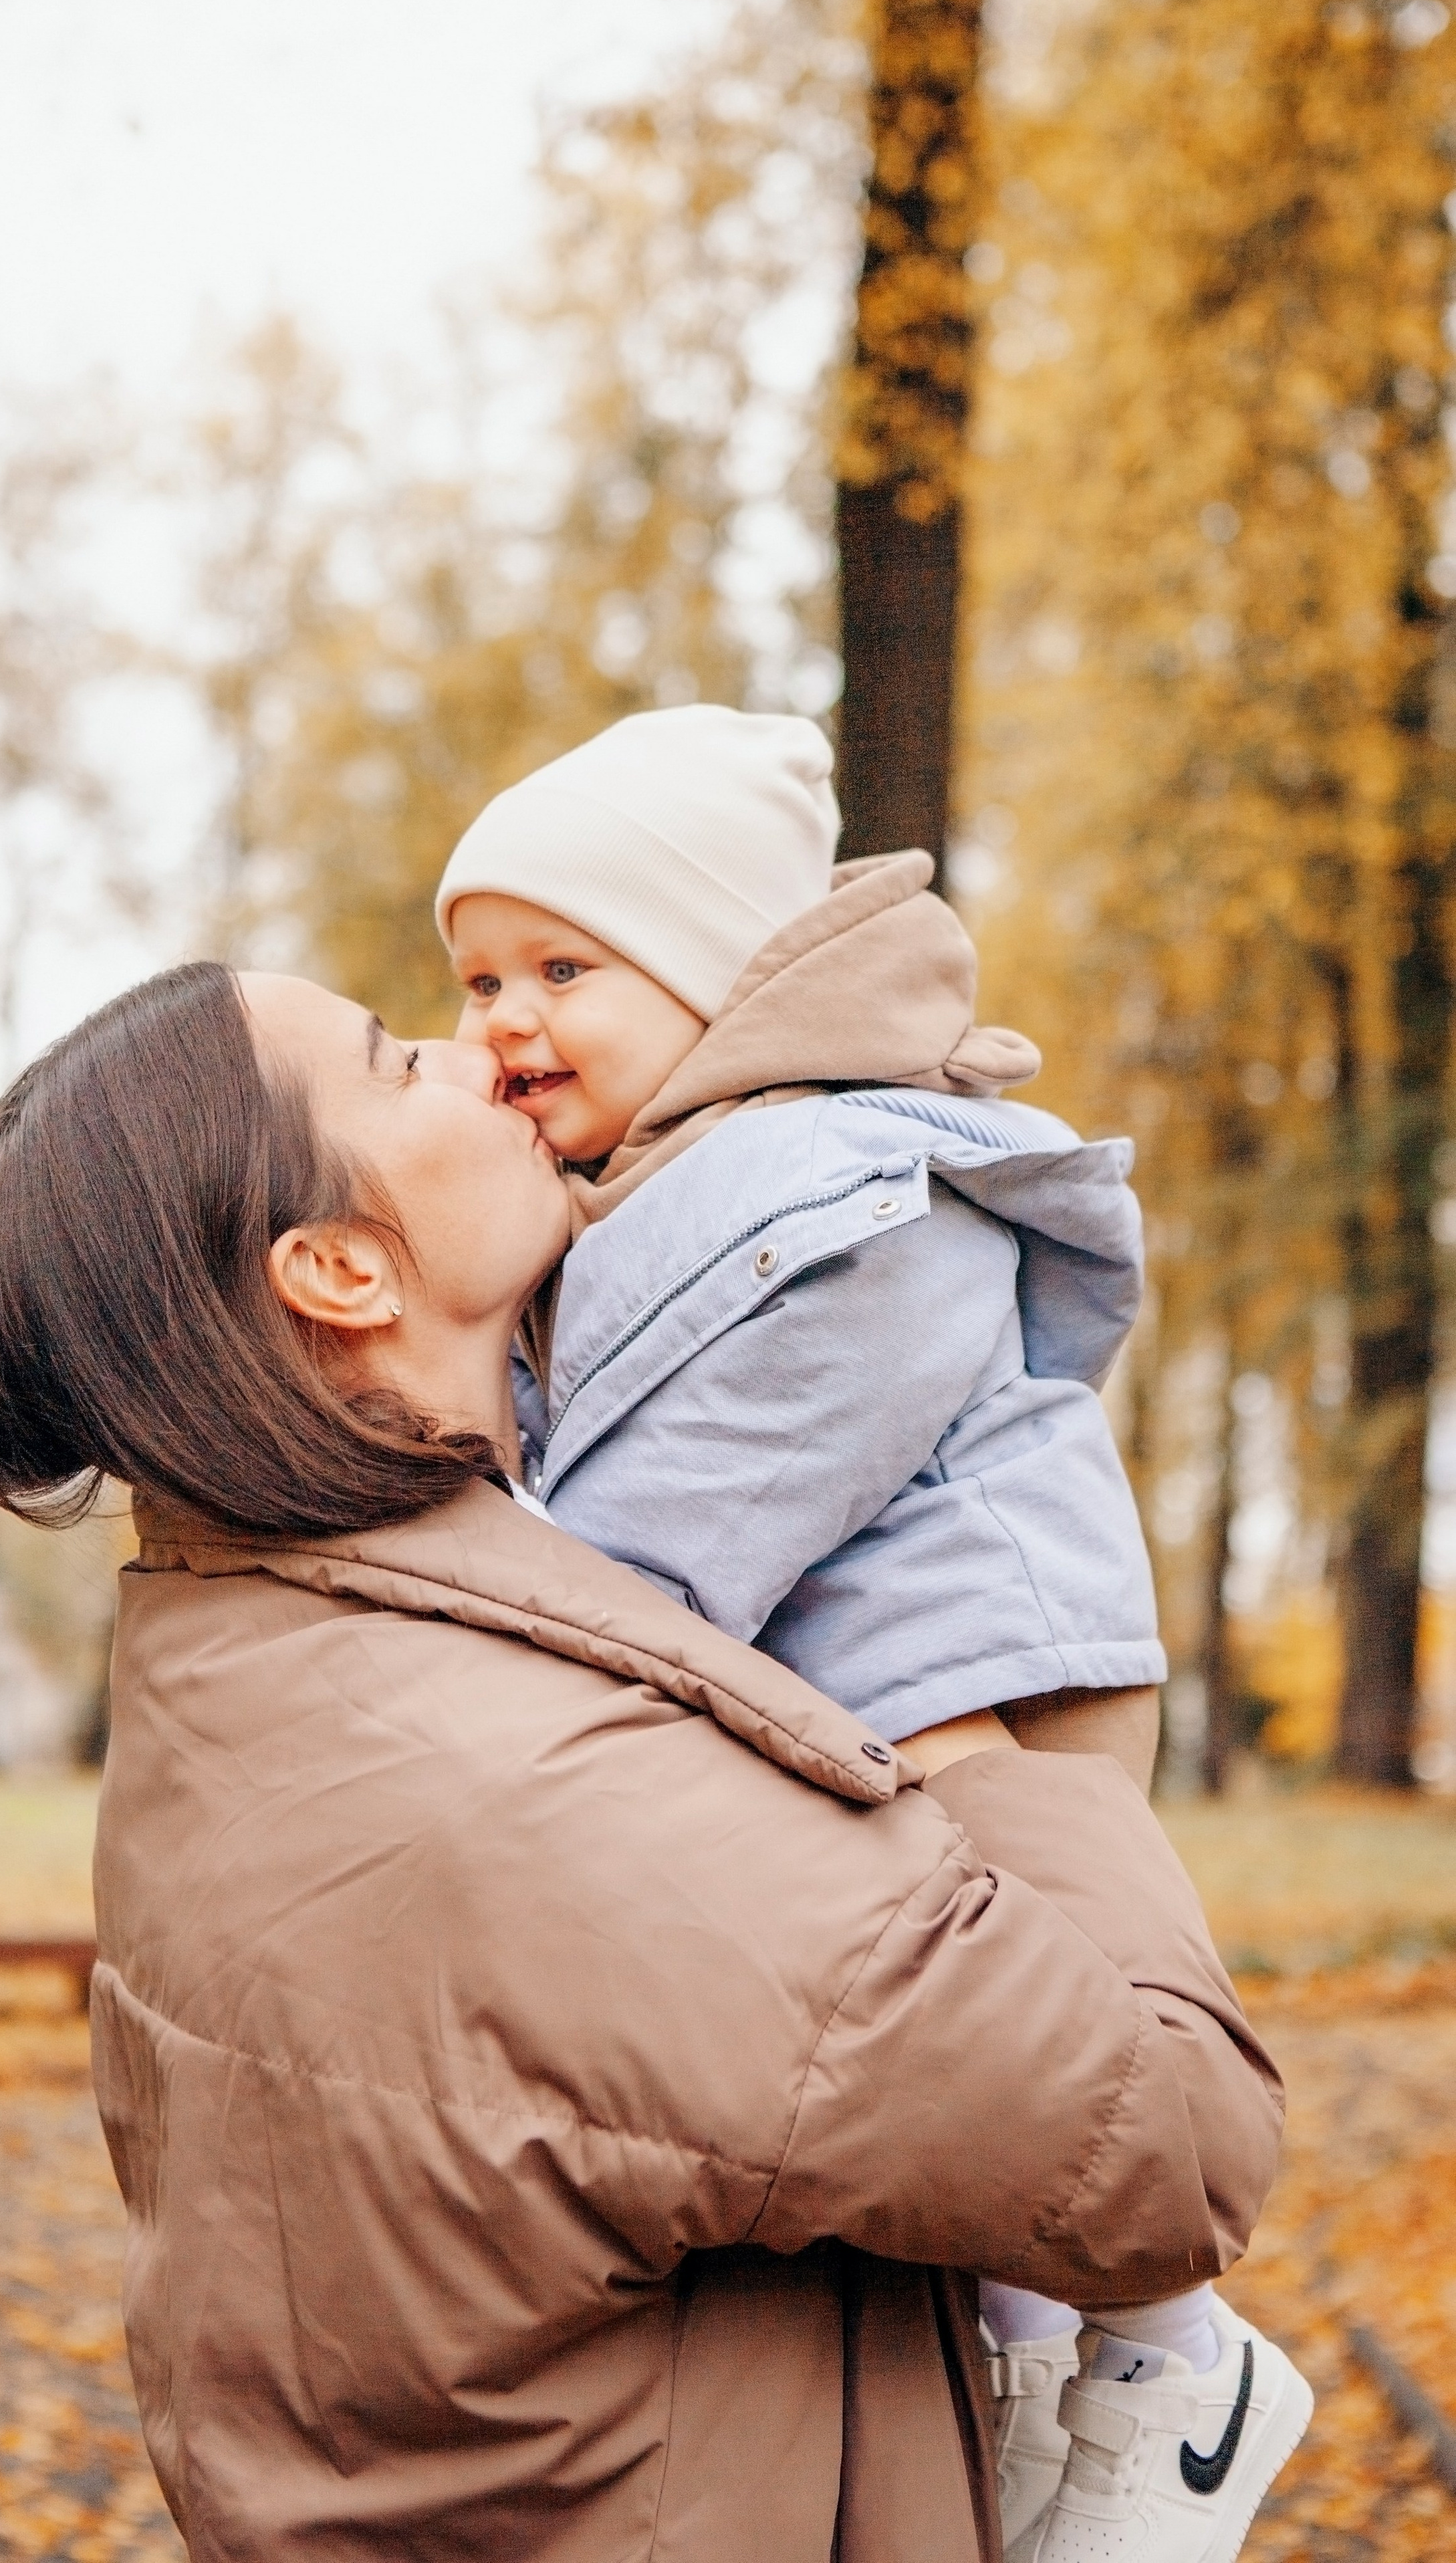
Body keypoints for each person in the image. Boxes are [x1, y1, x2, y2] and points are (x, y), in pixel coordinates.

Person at [0, 960, 1285, 2563]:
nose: (468, 1053)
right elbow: (1174, 2142)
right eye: (389, 1059)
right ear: (341, 1269)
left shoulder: (235, 1673)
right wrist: (972, 1722)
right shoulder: (540, 1790)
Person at [438, 705, 1313, 2563]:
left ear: (716, 973)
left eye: (560, 966)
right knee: (974, 2119)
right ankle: (1039, 2386)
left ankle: (1181, 2374)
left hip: (980, 1697)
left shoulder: (834, 1193)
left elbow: (702, 1512)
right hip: (880, 1696)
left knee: (1043, 2053)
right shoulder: (661, 1194)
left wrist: (549, 1606)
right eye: (475, 977)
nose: (501, 1017)